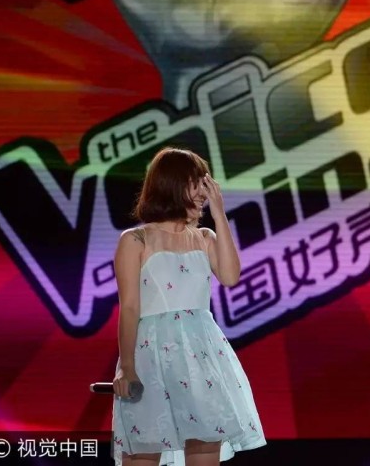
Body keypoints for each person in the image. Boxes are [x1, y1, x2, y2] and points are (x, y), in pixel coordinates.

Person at [111, 147, 266, 465]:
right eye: (196, 183)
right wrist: (127, 366)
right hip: (151, 354)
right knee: (144, 447)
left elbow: (230, 276)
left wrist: (220, 214)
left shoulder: (205, 238)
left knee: (206, 442)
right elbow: (129, 308)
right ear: (172, 184)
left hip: (201, 356)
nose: (203, 192)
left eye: (204, 183)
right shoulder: (136, 240)